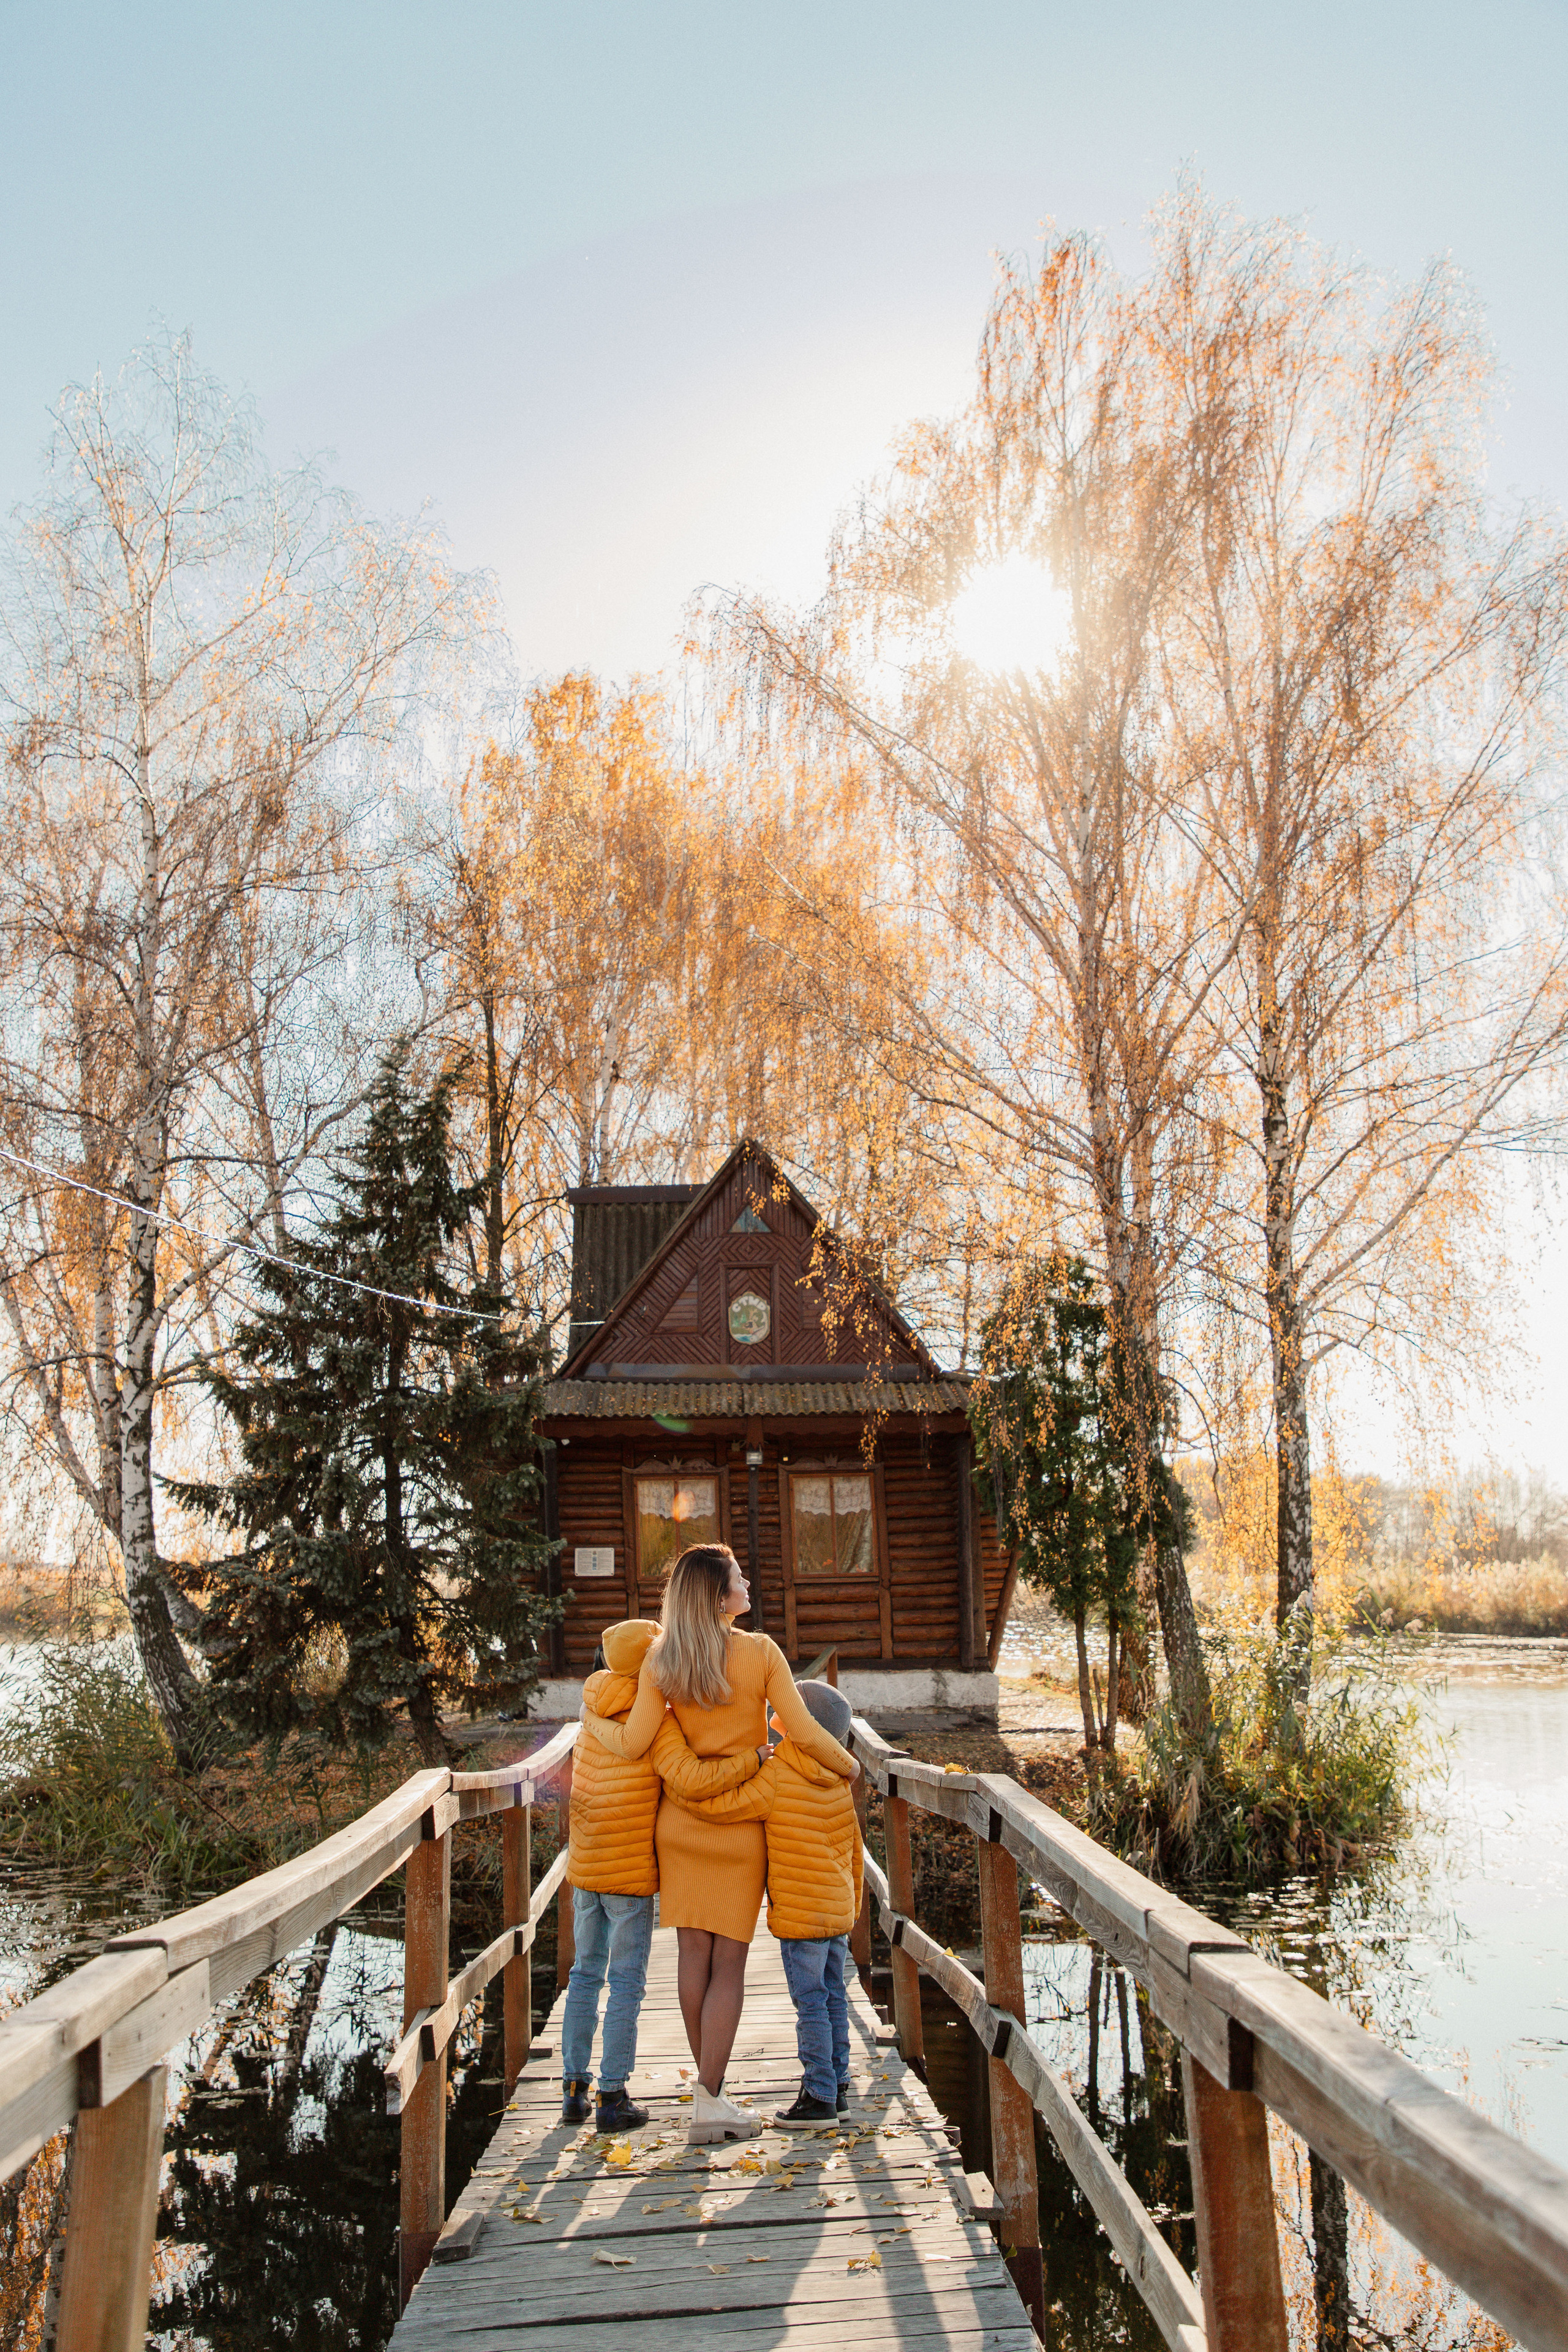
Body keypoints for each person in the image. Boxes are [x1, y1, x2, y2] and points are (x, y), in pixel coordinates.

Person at [581, 1545, 859, 2143]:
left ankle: (712, 2098)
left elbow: (633, 1745)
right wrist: (849, 1767)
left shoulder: (661, 1660)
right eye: (738, 1577)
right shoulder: (760, 1652)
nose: (749, 1582)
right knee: (728, 1965)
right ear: (716, 1594)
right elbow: (804, 1729)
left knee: (691, 1959)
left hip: (680, 1825)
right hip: (739, 1829)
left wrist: (591, 1720)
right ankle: (709, 2101)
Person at [562, 1617, 762, 2132]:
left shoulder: (590, 1709)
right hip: (628, 1873)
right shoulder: (654, 1720)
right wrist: (752, 1759)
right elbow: (688, 1776)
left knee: (585, 1975)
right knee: (626, 1982)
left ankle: (572, 2089)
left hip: (585, 1868)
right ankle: (612, 2095)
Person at [676, 1676, 863, 2125]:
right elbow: (855, 1853)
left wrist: (688, 1795)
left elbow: (729, 1806)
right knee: (834, 1995)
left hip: (801, 1916)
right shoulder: (840, 1778)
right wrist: (851, 1907)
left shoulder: (777, 1774)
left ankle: (817, 2096)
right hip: (837, 1912)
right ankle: (837, 2085)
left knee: (811, 2002)